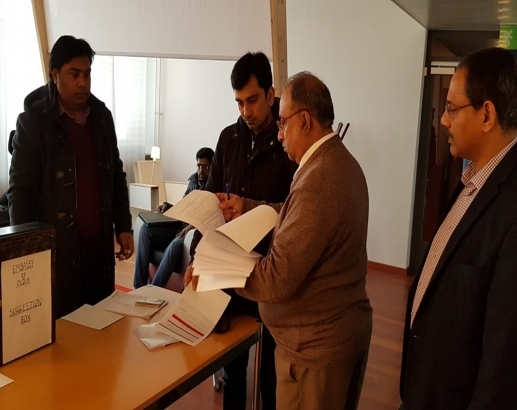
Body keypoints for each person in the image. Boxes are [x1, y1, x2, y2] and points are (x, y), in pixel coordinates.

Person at [190, 71, 373, 410]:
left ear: (304, 120)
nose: (280, 133)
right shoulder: (339, 162)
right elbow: (294, 213)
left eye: (283, 123)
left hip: (314, 349)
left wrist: (216, 271)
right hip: (335, 333)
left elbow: (275, 279)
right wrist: (248, 206)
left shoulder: (318, 181)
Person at [399, 47, 517, 409]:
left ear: (486, 114)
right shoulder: (473, 181)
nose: (444, 120)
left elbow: (507, 369)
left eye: (452, 109)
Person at [188, 52, 297, 410]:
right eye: (239, 102)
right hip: (230, 271)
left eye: (252, 100)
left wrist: (250, 206)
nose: (245, 111)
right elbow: (210, 204)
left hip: (271, 273)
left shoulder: (289, 141)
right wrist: (197, 260)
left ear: (270, 94)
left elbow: (296, 211)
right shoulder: (228, 138)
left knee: (271, 381)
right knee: (233, 369)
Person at [8, 35, 134, 318]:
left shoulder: (102, 118)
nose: (82, 83)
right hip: (57, 257)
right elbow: (21, 192)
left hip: (99, 255)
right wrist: (27, 255)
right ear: (55, 75)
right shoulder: (33, 123)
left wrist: (124, 226)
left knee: (101, 330)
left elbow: (115, 176)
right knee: (63, 335)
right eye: (74, 74)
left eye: (87, 74)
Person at [133, 147, 214, 289]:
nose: (201, 170)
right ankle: (138, 287)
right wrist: (168, 206)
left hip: (192, 233)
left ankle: (154, 289)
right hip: (179, 225)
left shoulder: (214, 186)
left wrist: (190, 227)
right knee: (146, 229)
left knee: (176, 244)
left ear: (212, 167)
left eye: (205, 167)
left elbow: (208, 216)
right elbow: (183, 206)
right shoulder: (193, 181)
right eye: (199, 166)